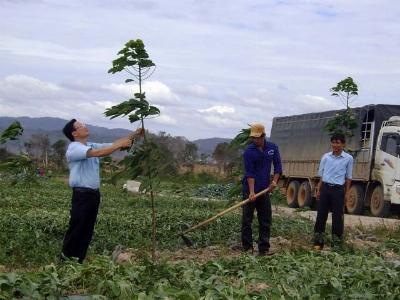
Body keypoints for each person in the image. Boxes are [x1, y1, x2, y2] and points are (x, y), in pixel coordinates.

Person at [61, 119, 143, 263]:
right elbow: (99, 152)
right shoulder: (74, 148)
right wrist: (121, 144)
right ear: (74, 133)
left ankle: (79, 259)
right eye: (81, 126)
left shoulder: (89, 145)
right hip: (82, 195)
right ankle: (66, 259)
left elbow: (112, 145)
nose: (85, 127)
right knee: (77, 227)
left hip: (93, 195)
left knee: (87, 229)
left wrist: (134, 135)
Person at [241, 123, 282, 256]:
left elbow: (278, 167)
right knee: (247, 220)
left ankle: (263, 248)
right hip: (250, 190)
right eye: (253, 138)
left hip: (264, 190)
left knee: (265, 219)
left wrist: (274, 182)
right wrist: (252, 192)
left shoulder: (272, 148)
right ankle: (247, 248)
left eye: (258, 138)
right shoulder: (249, 151)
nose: (255, 140)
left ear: (263, 136)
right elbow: (250, 173)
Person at [313, 132, 353, 250]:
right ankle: (318, 243)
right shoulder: (326, 157)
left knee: (337, 218)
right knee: (321, 216)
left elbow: (348, 177)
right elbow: (322, 175)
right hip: (325, 188)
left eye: (337, 143)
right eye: (333, 142)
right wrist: (319, 189)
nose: (335, 145)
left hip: (338, 190)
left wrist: (347, 193)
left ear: (343, 144)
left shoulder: (348, 158)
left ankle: (336, 244)